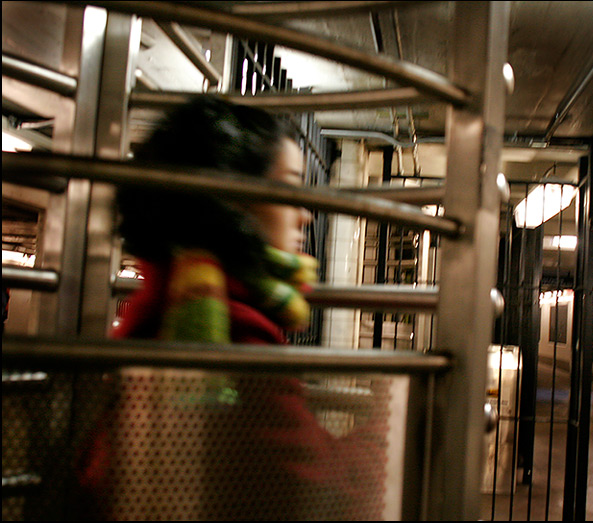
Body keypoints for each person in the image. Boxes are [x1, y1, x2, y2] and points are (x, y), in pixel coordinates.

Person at [75, 96, 388, 520]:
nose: (305, 216)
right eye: (290, 189)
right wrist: (392, 423)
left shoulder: (167, 302)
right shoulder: (234, 336)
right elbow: (324, 493)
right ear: (235, 200)